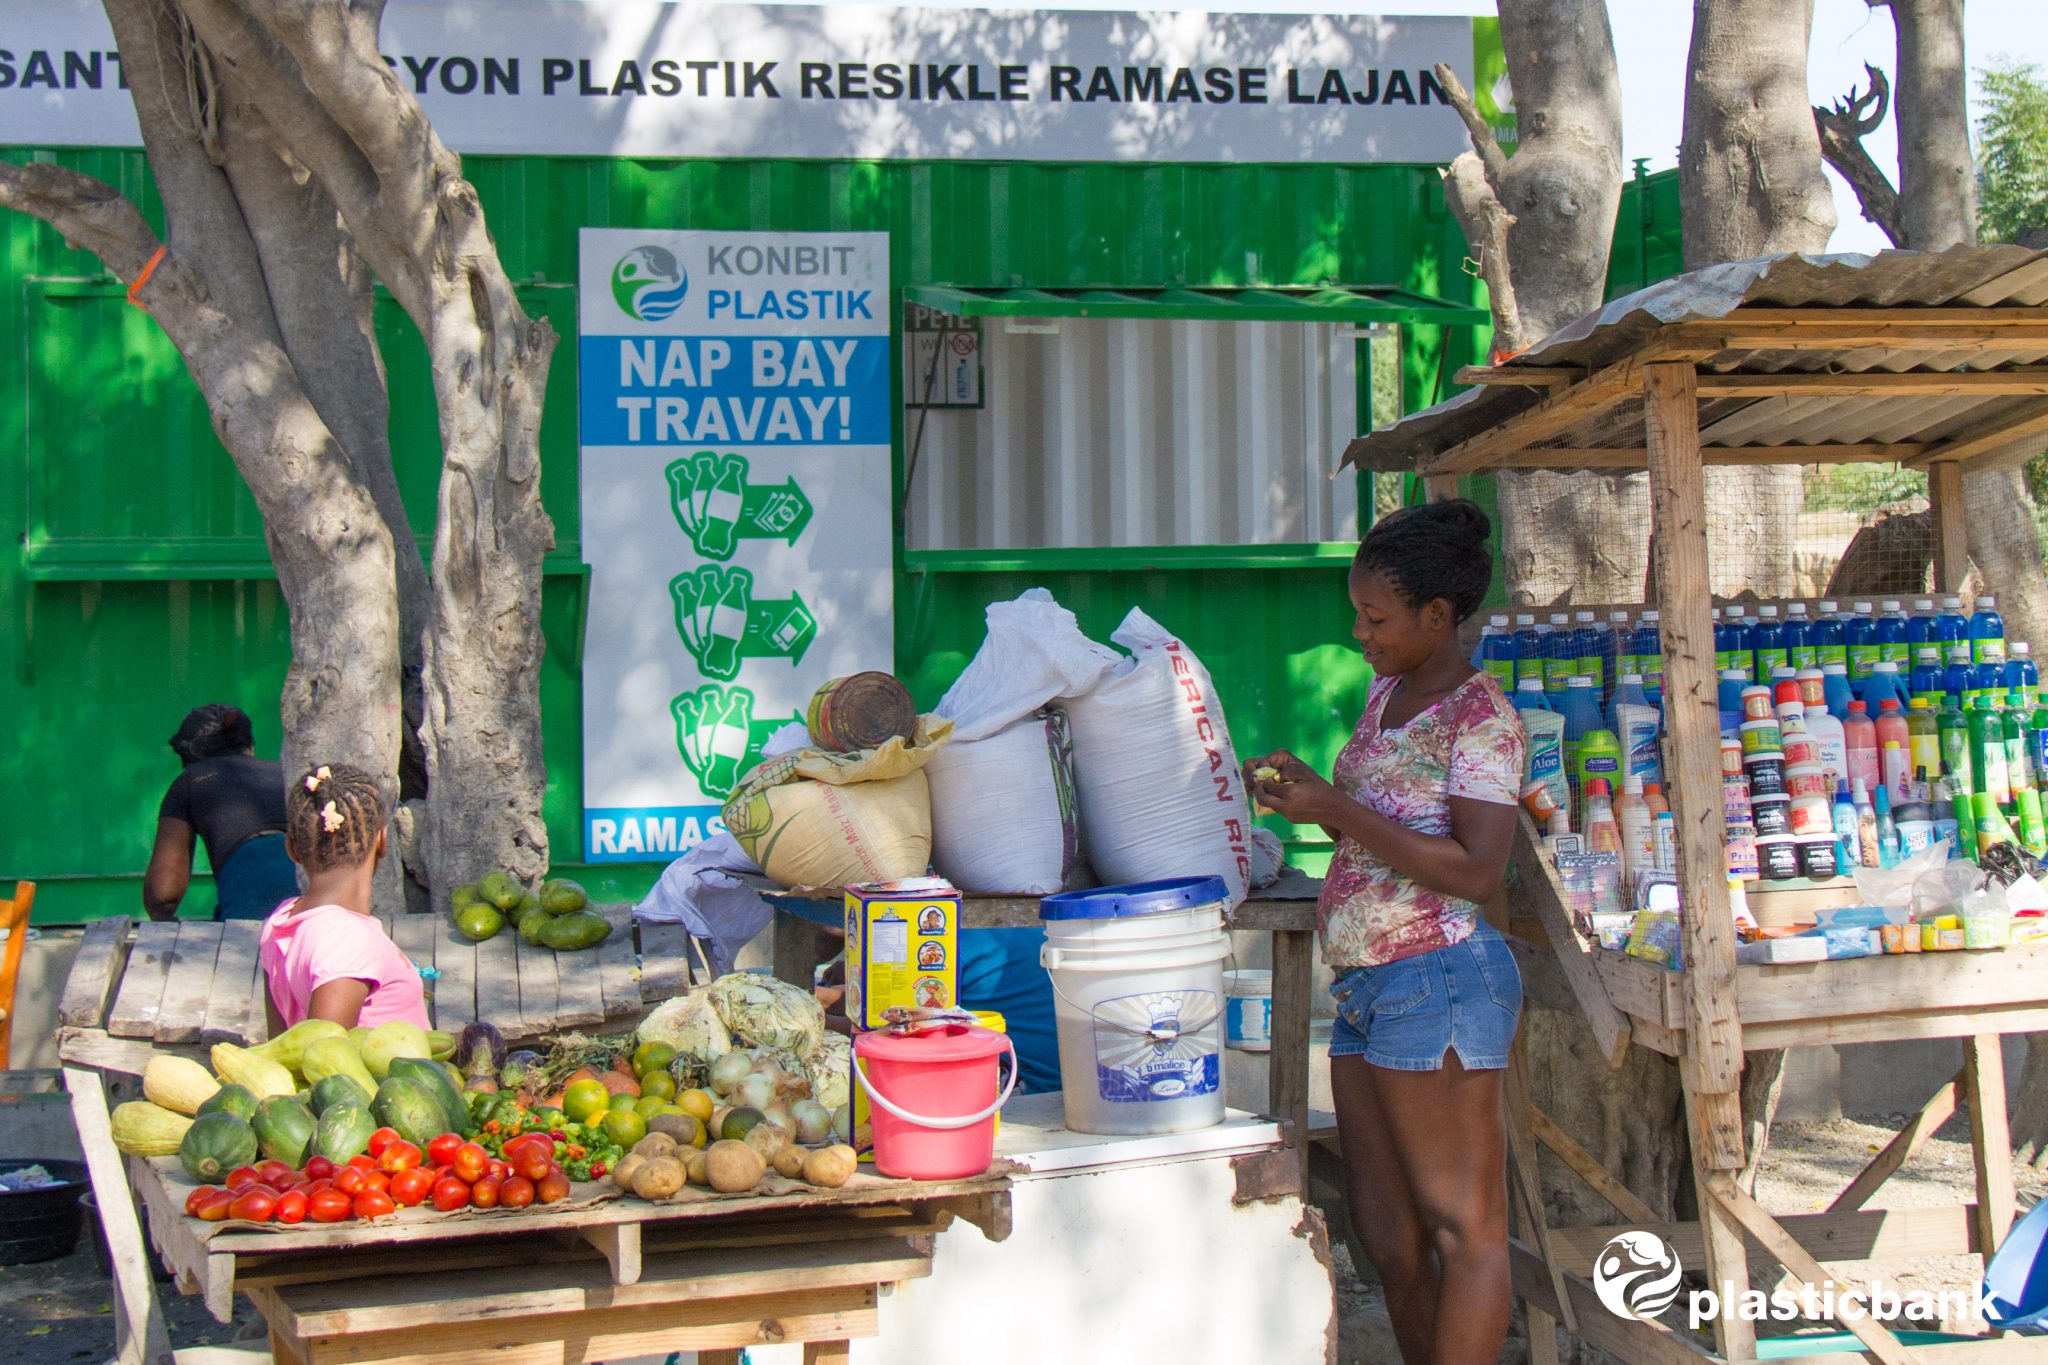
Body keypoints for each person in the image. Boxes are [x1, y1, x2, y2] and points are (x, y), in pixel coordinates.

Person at [1245, 498, 1524, 1365]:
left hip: (1438, 979)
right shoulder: (1388, 692)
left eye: (1376, 617)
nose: (1360, 633)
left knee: (1462, 1229)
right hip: (1368, 986)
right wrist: (1312, 799)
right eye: (1358, 614)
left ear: (1437, 617)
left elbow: (1478, 869)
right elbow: (1378, 831)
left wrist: (1339, 808)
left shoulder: (1482, 720)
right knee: (1388, 1234)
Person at [259, 763, 428, 1035]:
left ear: (292, 849)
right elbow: (328, 1064)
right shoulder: (347, 941)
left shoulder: (280, 921)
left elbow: (279, 1047)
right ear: (382, 841)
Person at [144, 704, 300, 921]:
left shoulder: (189, 781)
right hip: (316, 900)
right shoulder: (288, 774)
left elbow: (163, 896)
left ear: (188, 759)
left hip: (250, 905)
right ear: (250, 747)